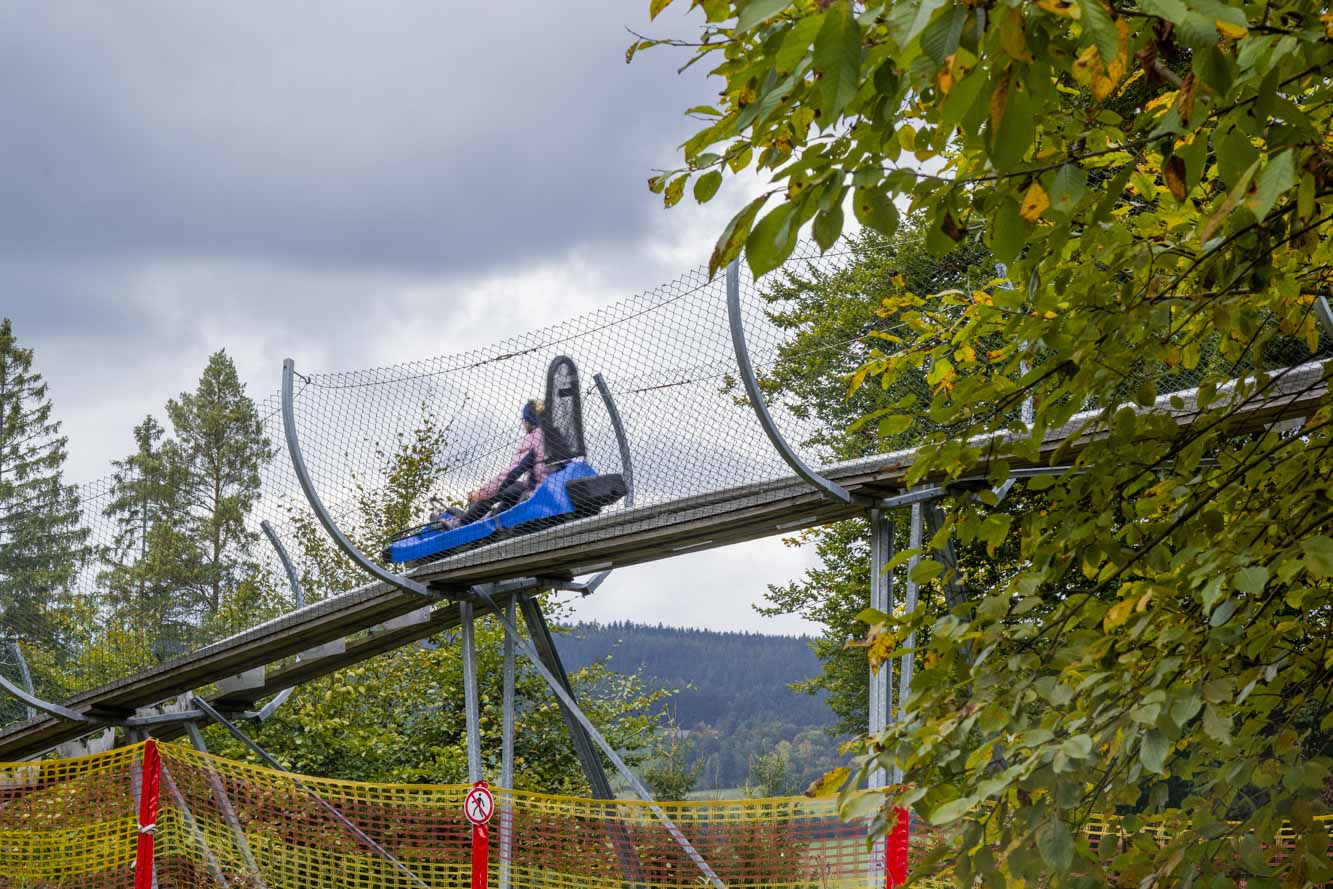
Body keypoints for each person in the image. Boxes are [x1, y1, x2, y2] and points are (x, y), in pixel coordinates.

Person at [439, 399, 548, 529]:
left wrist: (481, 493)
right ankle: (494, 519)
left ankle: (460, 524)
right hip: (547, 488)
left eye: (524, 419)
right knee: (515, 490)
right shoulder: (555, 435)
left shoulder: (534, 438)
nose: (523, 424)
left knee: (499, 489)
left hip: (538, 493)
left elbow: (512, 473)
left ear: (529, 420)